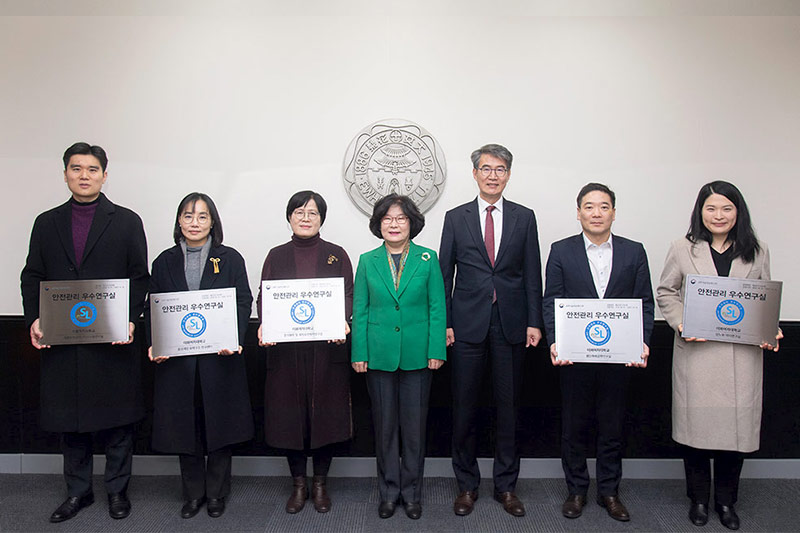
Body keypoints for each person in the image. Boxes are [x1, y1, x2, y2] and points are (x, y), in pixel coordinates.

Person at [20, 142, 149, 523]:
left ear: (104, 176)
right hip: (64, 339)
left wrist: (129, 318)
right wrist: (34, 318)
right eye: (76, 169)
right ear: (65, 174)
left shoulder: (126, 221)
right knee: (69, 422)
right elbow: (33, 276)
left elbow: (139, 277)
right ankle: (78, 493)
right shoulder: (46, 223)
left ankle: (116, 491)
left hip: (112, 340)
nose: (84, 175)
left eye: (92, 169)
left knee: (117, 421)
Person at [656, 181, 782, 531]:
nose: (718, 215)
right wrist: (682, 323)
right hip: (696, 355)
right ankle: (697, 499)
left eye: (726, 208)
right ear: (700, 212)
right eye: (711, 208)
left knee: (735, 434)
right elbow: (666, 291)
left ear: (737, 212)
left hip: (740, 358)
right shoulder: (682, 248)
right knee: (696, 432)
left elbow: (763, 299)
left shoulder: (757, 250)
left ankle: (726, 502)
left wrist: (770, 326)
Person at [439, 143, 543, 517]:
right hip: (466, 326)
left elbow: (533, 272)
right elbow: (443, 275)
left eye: (500, 169)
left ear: (508, 175)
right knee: (464, 408)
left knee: (508, 409)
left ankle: (505, 487)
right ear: (475, 173)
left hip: (511, 325)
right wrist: (446, 323)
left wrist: (535, 320)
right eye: (486, 168)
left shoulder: (524, 217)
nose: (493, 175)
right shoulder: (456, 217)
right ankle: (466, 486)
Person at [543, 183, 654, 522]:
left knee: (612, 426)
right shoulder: (561, 251)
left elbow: (644, 302)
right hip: (574, 356)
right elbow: (552, 301)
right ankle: (576, 490)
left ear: (614, 213)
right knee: (574, 426)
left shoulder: (634, 252)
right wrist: (554, 340)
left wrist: (643, 340)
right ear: (578, 213)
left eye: (603, 207)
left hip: (619, 356)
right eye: (589, 207)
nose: (596, 213)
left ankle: (609, 492)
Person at [145, 192, 253, 519]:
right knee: (184, 426)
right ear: (179, 221)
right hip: (178, 362)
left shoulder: (230, 258)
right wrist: (155, 343)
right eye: (188, 216)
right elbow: (155, 306)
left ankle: (217, 493)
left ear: (212, 222)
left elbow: (243, 302)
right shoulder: (163, 261)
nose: (195, 222)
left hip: (218, 358)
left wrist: (232, 338)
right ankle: (193, 494)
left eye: (202, 216)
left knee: (219, 424)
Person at [257, 191, 354, 514]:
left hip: (326, 352)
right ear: (289, 217)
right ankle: (299, 484)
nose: (305, 217)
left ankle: (320, 485)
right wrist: (265, 327)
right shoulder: (276, 255)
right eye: (299, 212)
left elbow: (349, 295)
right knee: (290, 418)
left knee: (325, 417)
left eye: (313, 213)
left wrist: (342, 321)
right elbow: (264, 296)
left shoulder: (336, 254)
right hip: (286, 353)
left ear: (321, 219)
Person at [351, 193, 446, 520]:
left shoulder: (427, 259)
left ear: (412, 223)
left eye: (400, 218)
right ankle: (389, 493)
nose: (394, 224)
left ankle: (412, 493)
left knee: (415, 429)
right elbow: (359, 309)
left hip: (419, 356)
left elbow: (437, 307)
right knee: (385, 427)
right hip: (378, 355)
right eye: (388, 219)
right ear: (378, 224)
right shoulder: (366, 260)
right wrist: (359, 352)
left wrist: (436, 349)